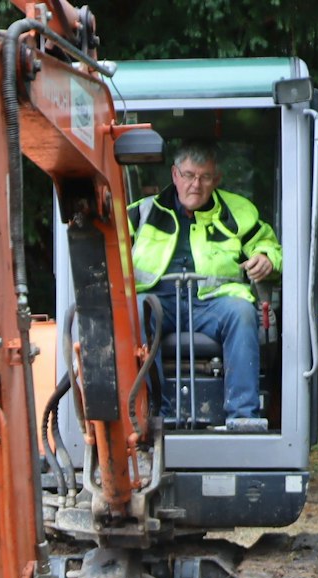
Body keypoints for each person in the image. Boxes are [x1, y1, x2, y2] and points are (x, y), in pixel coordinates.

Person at [128, 140, 281, 431]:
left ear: (216, 179)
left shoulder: (238, 212)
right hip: (160, 303)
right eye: (188, 175)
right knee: (136, 311)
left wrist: (267, 258)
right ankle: (155, 413)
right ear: (174, 175)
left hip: (214, 303)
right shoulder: (142, 213)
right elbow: (110, 252)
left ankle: (242, 416)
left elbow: (267, 244)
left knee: (242, 312)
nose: (195, 185)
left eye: (205, 177)